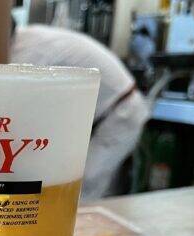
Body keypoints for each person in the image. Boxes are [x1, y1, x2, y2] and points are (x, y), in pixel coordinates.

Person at [11, 25, 149, 199]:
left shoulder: (28, 52)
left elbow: (16, 109)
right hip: (106, 112)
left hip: (121, 113)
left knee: (87, 182)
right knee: (81, 182)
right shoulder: (29, 39)